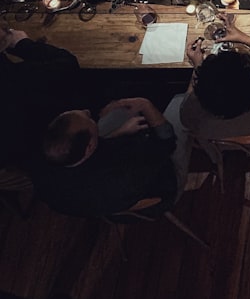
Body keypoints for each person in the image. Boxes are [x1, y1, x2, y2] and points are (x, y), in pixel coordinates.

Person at [31, 97, 180, 217]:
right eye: (89, 120)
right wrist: (145, 104)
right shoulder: (128, 162)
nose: (87, 111)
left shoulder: (41, 177)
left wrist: (119, 132)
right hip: (160, 191)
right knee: (179, 103)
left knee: (117, 112)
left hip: (108, 208)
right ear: (89, 147)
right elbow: (167, 143)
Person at [178, 16, 250, 165]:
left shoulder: (190, 111)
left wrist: (198, 67)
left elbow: (188, 104)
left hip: (226, 142)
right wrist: (243, 38)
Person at [0, 24, 80, 168]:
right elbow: (68, 65)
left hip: (17, 159)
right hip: (46, 154)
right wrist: (22, 44)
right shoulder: (20, 79)